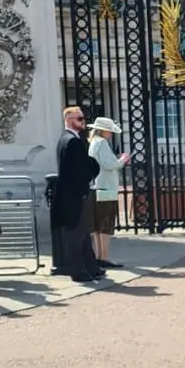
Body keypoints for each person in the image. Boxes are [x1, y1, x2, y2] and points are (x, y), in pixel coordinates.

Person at [52, 106, 103, 283]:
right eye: (78, 119)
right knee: (76, 234)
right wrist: (86, 182)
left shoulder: (70, 139)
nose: (83, 121)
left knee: (83, 232)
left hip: (74, 192)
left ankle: (92, 267)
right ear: (68, 120)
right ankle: (77, 271)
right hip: (74, 194)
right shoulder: (70, 141)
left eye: (82, 118)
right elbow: (76, 170)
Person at [87, 116, 129, 268]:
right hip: (106, 187)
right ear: (102, 130)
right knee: (105, 224)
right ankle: (104, 258)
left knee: (97, 225)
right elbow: (109, 164)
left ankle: (99, 256)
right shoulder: (102, 143)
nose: (110, 133)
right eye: (109, 130)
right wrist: (123, 160)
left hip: (97, 186)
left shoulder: (94, 142)